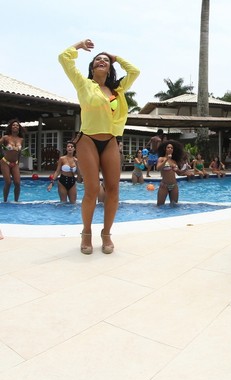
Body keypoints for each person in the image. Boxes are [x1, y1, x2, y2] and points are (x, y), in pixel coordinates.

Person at [59, 38, 140, 255]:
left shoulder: (118, 89)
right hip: (88, 140)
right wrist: (77, 46)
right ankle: (86, 233)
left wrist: (116, 58)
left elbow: (135, 71)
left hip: (111, 140)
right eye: (98, 59)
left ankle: (106, 234)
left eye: (105, 60)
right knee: (93, 189)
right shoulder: (84, 84)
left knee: (113, 189)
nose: (102, 61)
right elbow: (63, 59)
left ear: (110, 67)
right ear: (92, 66)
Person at [1, 119, 26, 202]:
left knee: (18, 183)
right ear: (10, 127)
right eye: (13, 125)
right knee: (8, 182)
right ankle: (5, 201)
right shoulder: (6, 138)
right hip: (5, 162)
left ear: (19, 128)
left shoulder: (21, 140)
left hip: (15, 163)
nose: (15, 126)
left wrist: (17, 162)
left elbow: (19, 152)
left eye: (17, 125)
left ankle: (16, 201)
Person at [156, 140, 183, 206]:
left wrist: (183, 169)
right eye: (168, 147)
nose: (170, 149)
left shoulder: (174, 161)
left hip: (174, 185)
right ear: (165, 149)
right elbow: (158, 168)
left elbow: (179, 173)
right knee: (160, 205)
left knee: (174, 206)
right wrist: (166, 159)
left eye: (171, 148)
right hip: (164, 185)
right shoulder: (161, 159)